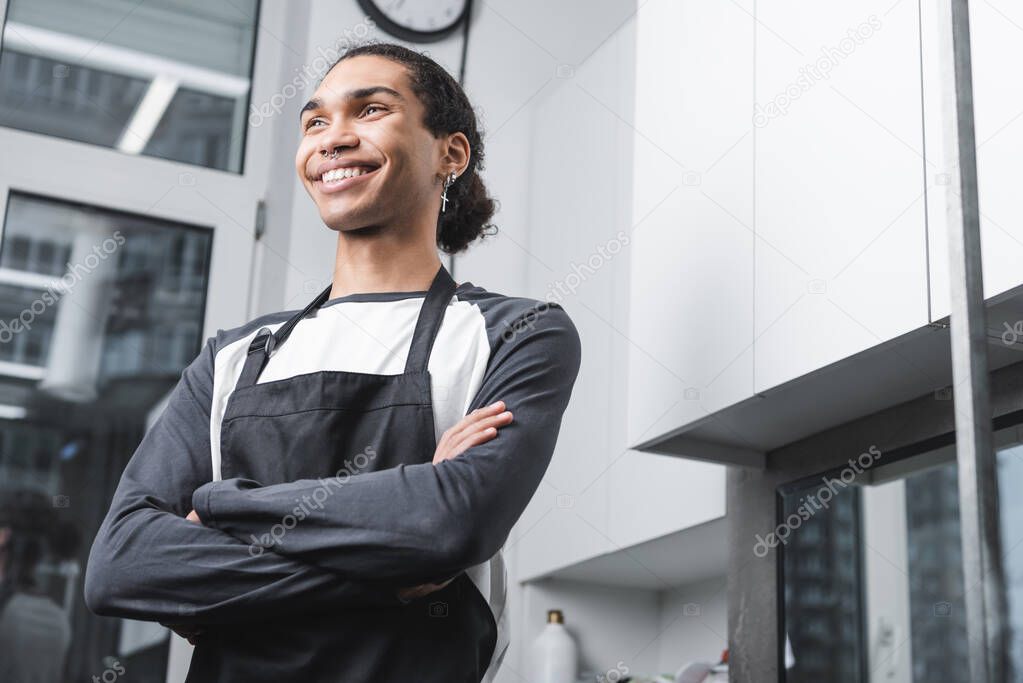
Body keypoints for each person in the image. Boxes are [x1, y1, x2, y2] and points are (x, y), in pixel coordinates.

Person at [83, 42, 582, 683]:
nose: (333, 138)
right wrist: (389, 571)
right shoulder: (234, 357)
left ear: (450, 154)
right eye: (315, 122)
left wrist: (220, 506)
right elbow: (121, 565)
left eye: (370, 110)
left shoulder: (516, 331)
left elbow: (449, 527)